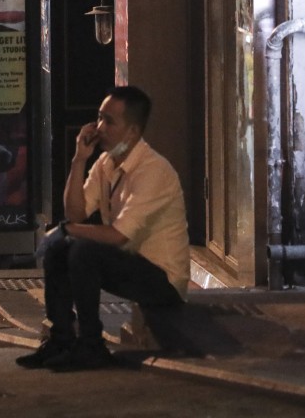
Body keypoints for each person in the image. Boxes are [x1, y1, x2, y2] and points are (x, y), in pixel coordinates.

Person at [17, 85, 190, 371]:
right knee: (62, 248)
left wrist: (67, 230)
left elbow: (118, 235)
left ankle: (91, 345)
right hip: (129, 264)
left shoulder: (153, 170)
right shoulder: (106, 163)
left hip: (163, 280)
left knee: (83, 250)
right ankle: (61, 338)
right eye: (99, 118)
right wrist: (79, 159)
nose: (99, 127)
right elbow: (75, 212)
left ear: (133, 132)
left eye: (110, 121)